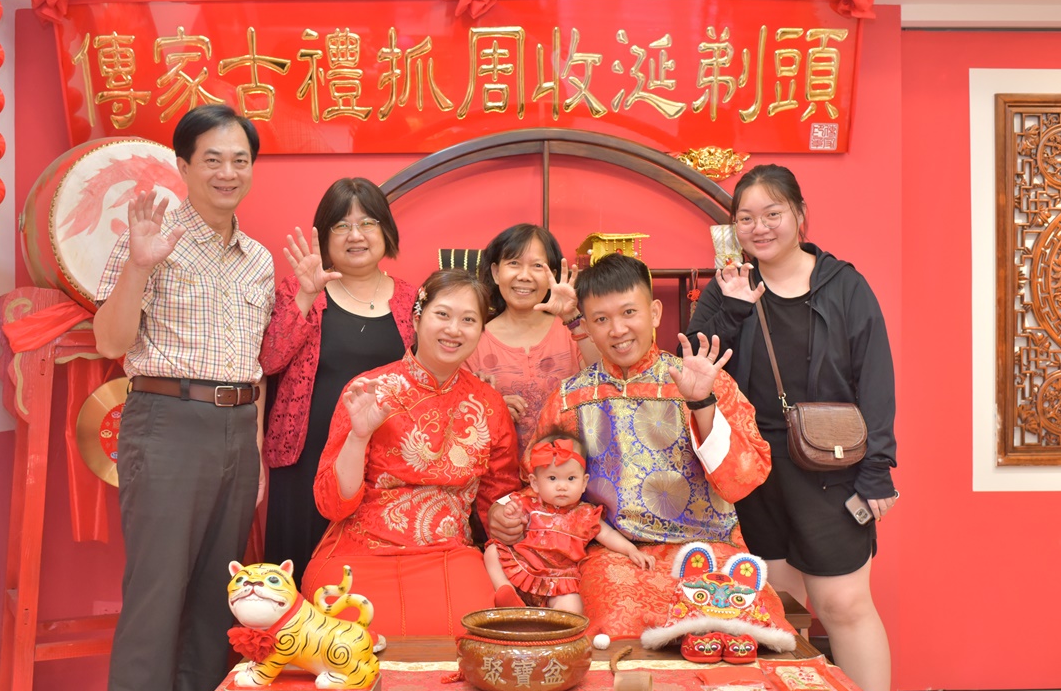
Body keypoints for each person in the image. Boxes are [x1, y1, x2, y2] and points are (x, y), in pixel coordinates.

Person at [93, 105, 273, 691]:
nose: (228, 172)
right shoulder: (151, 242)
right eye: (212, 159)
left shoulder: (258, 261)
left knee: (214, 602)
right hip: (167, 421)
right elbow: (111, 342)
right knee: (156, 596)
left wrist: (254, 451)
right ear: (183, 165)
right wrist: (139, 268)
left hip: (236, 430)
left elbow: (255, 366)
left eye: (239, 160)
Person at [683, 163, 898, 691]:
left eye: (772, 213)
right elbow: (696, 366)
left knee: (844, 606)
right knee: (778, 608)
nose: (759, 228)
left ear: (799, 215)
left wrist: (877, 470)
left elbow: (875, 380)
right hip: (754, 470)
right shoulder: (727, 287)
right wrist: (735, 310)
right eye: (746, 218)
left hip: (830, 466)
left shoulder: (844, 286)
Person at [489, 253, 776, 639]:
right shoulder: (570, 399)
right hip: (612, 554)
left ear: (654, 313)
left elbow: (745, 480)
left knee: (742, 633)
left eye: (629, 312)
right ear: (586, 326)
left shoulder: (704, 381)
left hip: (707, 549)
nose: (618, 330)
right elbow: (539, 483)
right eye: (601, 319)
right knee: (617, 628)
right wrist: (506, 512)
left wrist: (702, 405)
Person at [302, 269, 520, 636]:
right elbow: (333, 505)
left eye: (469, 320)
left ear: (481, 331)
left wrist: (506, 516)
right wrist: (358, 436)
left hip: (448, 555)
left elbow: (499, 496)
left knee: (467, 632)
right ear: (417, 318)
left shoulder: (490, 404)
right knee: (346, 639)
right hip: (360, 552)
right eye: (443, 314)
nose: (454, 329)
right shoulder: (368, 390)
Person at [260, 178, 417, 583]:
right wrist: (305, 296)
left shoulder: (411, 299)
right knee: (298, 571)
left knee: (365, 577)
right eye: (341, 226)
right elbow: (269, 361)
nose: (355, 235)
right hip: (305, 460)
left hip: (383, 465)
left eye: (367, 223)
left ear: (386, 230)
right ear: (324, 236)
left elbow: (430, 371)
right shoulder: (299, 289)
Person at [464, 224, 599, 457]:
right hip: (500, 472)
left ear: (552, 276)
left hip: (570, 472)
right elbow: (456, 414)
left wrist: (572, 316)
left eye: (537, 266)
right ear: (496, 273)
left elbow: (606, 380)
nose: (524, 276)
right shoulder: (473, 340)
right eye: (514, 263)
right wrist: (492, 409)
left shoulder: (573, 331)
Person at [485, 433, 654, 613]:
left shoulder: (585, 513)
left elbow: (608, 534)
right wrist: (511, 513)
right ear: (535, 483)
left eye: (571, 478)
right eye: (552, 478)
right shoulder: (528, 503)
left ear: (584, 482)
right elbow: (506, 516)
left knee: (573, 605)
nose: (562, 486)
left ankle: (553, 623)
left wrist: (631, 550)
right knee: (492, 551)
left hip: (559, 580)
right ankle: (506, 592)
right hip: (522, 567)